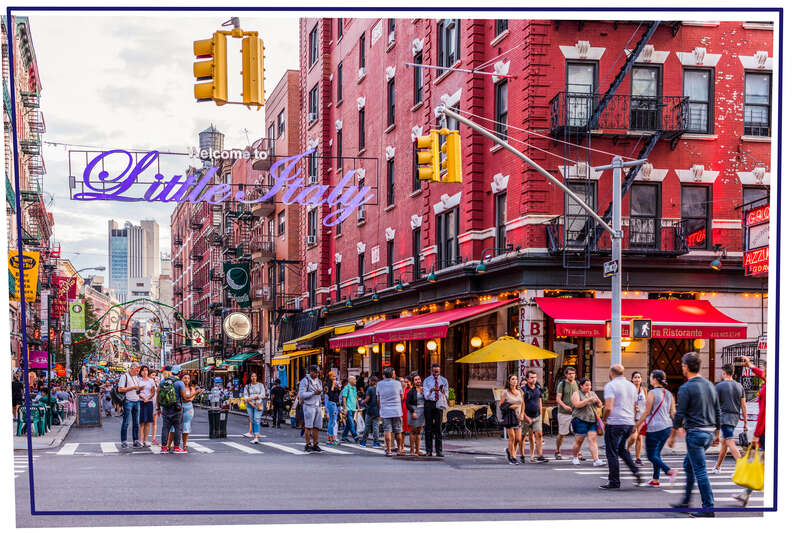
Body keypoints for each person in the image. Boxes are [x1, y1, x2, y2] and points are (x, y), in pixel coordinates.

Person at [667, 352, 721, 517]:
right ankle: (686, 502)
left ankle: (708, 508)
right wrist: (717, 433)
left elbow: (680, 413)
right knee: (688, 465)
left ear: (686, 366)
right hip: (708, 433)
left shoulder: (686, 388)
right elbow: (718, 410)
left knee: (700, 470)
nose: (682, 367)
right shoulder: (710, 385)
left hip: (696, 434)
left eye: (682, 365)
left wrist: (672, 435)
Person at [600, 364, 642, 489]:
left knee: (611, 452)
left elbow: (608, 407)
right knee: (621, 449)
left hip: (615, 422)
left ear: (611, 373)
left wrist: (604, 420)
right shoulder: (631, 386)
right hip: (628, 422)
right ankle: (636, 471)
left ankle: (614, 481)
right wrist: (634, 421)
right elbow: (635, 406)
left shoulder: (610, 386)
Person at [634, 369, 677, 487]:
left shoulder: (652, 393)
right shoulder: (669, 393)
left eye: (651, 377)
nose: (649, 378)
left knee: (651, 455)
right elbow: (673, 412)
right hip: (667, 427)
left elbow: (646, 412)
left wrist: (636, 425)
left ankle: (669, 471)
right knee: (656, 454)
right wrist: (678, 427)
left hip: (654, 428)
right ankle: (655, 480)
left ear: (655, 379)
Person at [734, 355, 766, 507]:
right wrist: (750, 366)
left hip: (766, 432)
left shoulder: (767, 388)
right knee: (762, 464)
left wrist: (757, 435)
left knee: (762, 464)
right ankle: (746, 493)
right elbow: (762, 374)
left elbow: (763, 414)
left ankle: (746, 493)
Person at [713, 363, 748, 473]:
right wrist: (745, 422)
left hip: (725, 417)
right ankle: (717, 467)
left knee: (729, 441)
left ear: (724, 372)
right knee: (725, 442)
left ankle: (743, 467)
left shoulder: (719, 386)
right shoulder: (739, 386)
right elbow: (743, 405)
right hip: (735, 418)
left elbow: (714, 406)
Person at [570, 377, 606, 466]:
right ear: (581, 386)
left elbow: (600, 405)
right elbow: (577, 404)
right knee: (579, 441)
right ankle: (575, 457)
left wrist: (598, 402)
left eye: (590, 385)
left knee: (593, 439)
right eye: (586, 385)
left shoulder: (592, 393)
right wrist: (588, 400)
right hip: (580, 420)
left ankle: (596, 460)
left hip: (592, 420)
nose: (589, 387)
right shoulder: (576, 393)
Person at [158, 365, 187, 454]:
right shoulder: (180, 383)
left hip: (166, 408)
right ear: (179, 372)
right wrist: (194, 394)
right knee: (178, 428)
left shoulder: (163, 382)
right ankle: (176, 447)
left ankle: (163, 447)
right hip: (177, 409)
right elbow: (184, 397)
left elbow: (158, 394)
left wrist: (158, 407)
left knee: (165, 428)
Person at [521, 370, 548, 463]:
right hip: (526, 416)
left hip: (537, 416)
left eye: (535, 377)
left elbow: (539, 400)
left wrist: (540, 412)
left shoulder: (537, 388)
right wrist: (524, 416)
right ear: (527, 379)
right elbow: (521, 404)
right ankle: (522, 455)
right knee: (522, 436)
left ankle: (540, 455)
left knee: (539, 435)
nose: (534, 379)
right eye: (531, 377)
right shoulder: (523, 389)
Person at [422, 363, 449, 457]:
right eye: (434, 371)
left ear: (440, 370)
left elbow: (447, 395)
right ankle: (428, 451)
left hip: (439, 404)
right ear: (431, 371)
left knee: (438, 428)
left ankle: (439, 451)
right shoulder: (427, 380)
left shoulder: (444, 380)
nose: (436, 373)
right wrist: (431, 391)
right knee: (428, 428)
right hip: (429, 404)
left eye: (437, 371)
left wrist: (443, 392)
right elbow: (425, 395)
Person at [377, 367, 404, 457]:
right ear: (392, 374)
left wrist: (381, 409)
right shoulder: (398, 383)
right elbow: (402, 397)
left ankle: (389, 450)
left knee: (387, 431)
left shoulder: (379, 384)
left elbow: (378, 399)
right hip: (397, 410)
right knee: (398, 431)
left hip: (385, 411)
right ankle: (399, 449)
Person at [554, 366, 579, 460]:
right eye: (569, 374)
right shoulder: (562, 384)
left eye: (573, 373)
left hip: (575, 413)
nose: (571, 375)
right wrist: (565, 406)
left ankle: (578, 453)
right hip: (563, 413)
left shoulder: (577, 383)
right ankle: (557, 451)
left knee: (578, 434)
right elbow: (558, 399)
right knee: (562, 434)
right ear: (566, 375)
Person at [500, 374, 525, 465]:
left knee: (518, 439)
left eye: (516, 379)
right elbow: (501, 406)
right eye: (513, 379)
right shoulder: (505, 392)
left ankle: (509, 450)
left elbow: (523, 404)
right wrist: (511, 406)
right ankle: (512, 457)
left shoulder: (520, 391)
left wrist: (522, 414)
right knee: (512, 437)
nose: (515, 381)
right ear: (509, 381)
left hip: (518, 417)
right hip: (509, 417)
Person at [298, 365, 324, 453]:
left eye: (318, 373)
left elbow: (320, 391)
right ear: (311, 372)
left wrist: (322, 392)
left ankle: (316, 444)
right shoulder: (305, 381)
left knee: (317, 426)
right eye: (315, 372)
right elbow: (301, 394)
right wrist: (313, 393)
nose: (317, 374)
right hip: (309, 405)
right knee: (308, 426)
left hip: (318, 405)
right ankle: (308, 444)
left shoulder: (319, 381)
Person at [118, 362, 143, 449]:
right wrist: (132, 388)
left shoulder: (136, 377)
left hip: (137, 401)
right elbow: (120, 389)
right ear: (132, 368)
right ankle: (124, 441)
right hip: (128, 401)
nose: (137, 372)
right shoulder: (124, 376)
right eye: (136, 370)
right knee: (126, 422)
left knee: (136, 422)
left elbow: (137, 389)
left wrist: (139, 389)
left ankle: (135, 440)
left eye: (138, 371)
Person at [625, 371, 648, 465]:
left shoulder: (644, 390)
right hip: (632, 416)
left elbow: (646, 404)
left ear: (641, 379)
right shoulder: (629, 390)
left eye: (639, 377)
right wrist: (633, 407)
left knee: (639, 437)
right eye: (635, 377)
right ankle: (626, 449)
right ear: (632, 379)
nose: (637, 379)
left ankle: (638, 458)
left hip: (641, 417)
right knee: (634, 437)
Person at [242, 372, 266, 444]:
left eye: (255, 376)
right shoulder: (247, 386)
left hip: (258, 404)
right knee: (252, 420)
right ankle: (254, 435)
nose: (254, 377)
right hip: (250, 405)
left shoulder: (260, 385)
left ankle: (256, 437)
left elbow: (263, 395)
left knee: (257, 420)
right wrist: (250, 402)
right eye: (252, 376)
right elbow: (245, 396)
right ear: (250, 377)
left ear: (256, 377)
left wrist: (256, 397)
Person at [180, 372, 202, 451]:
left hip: (189, 408)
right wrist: (194, 394)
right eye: (185, 378)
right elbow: (184, 398)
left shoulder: (191, 388)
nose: (187, 380)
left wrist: (188, 398)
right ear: (181, 379)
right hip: (180, 408)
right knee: (175, 426)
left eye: (188, 378)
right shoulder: (180, 387)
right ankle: (173, 444)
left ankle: (185, 445)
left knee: (186, 426)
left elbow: (190, 399)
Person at [405, 373, 425, 456]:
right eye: (416, 380)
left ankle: (418, 450)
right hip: (414, 411)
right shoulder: (411, 391)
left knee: (419, 432)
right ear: (413, 382)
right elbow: (407, 404)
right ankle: (412, 451)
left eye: (419, 379)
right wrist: (413, 411)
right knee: (413, 432)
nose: (418, 381)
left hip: (422, 411)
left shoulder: (424, 389)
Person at [137, 366, 156, 447]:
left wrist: (148, 398)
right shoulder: (138, 380)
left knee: (147, 422)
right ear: (140, 372)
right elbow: (137, 391)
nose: (145, 372)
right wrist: (143, 398)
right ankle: (140, 440)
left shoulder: (151, 381)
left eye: (146, 370)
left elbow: (153, 392)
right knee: (141, 422)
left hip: (149, 402)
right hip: (141, 401)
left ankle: (145, 440)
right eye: (143, 370)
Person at [359, 376, 380, 447]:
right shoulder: (378, 389)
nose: (369, 382)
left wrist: (362, 402)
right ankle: (376, 442)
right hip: (377, 410)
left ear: (372, 381)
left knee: (367, 426)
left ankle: (363, 442)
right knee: (376, 427)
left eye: (369, 381)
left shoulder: (370, 388)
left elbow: (367, 398)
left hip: (370, 409)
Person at [323, 371, 340, 445]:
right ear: (329, 377)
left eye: (335, 376)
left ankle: (330, 438)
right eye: (333, 376)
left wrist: (339, 388)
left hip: (334, 403)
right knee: (332, 421)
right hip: (331, 403)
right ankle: (331, 438)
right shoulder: (328, 385)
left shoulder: (334, 384)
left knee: (332, 421)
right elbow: (330, 395)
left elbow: (337, 395)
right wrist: (333, 386)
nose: (335, 378)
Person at [340, 375, 359, 443]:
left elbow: (356, 398)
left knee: (348, 424)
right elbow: (344, 398)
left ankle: (344, 437)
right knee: (351, 423)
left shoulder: (354, 388)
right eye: (354, 380)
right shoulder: (346, 388)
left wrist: (358, 407)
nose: (355, 381)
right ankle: (355, 435)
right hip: (348, 408)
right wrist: (345, 408)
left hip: (353, 408)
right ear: (350, 380)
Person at [149, 369, 160, 446]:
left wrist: (157, 384)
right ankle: (143, 439)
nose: (154, 376)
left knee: (154, 422)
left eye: (155, 375)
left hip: (155, 403)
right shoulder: (146, 382)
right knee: (145, 422)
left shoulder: (156, 382)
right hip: (147, 403)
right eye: (153, 375)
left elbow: (159, 392)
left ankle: (153, 439)